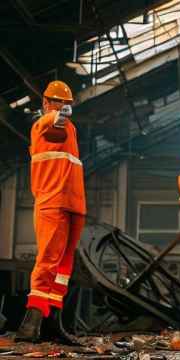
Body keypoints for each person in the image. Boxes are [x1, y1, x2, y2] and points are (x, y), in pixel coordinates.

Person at [16, 81, 85, 344]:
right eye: (57, 102)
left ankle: (52, 323)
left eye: (66, 103)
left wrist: (64, 117)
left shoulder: (71, 129)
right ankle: (30, 325)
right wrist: (59, 115)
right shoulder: (42, 125)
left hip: (74, 204)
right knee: (47, 261)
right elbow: (52, 123)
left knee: (64, 267)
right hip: (52, 202)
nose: (62, 106)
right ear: (46, 103)